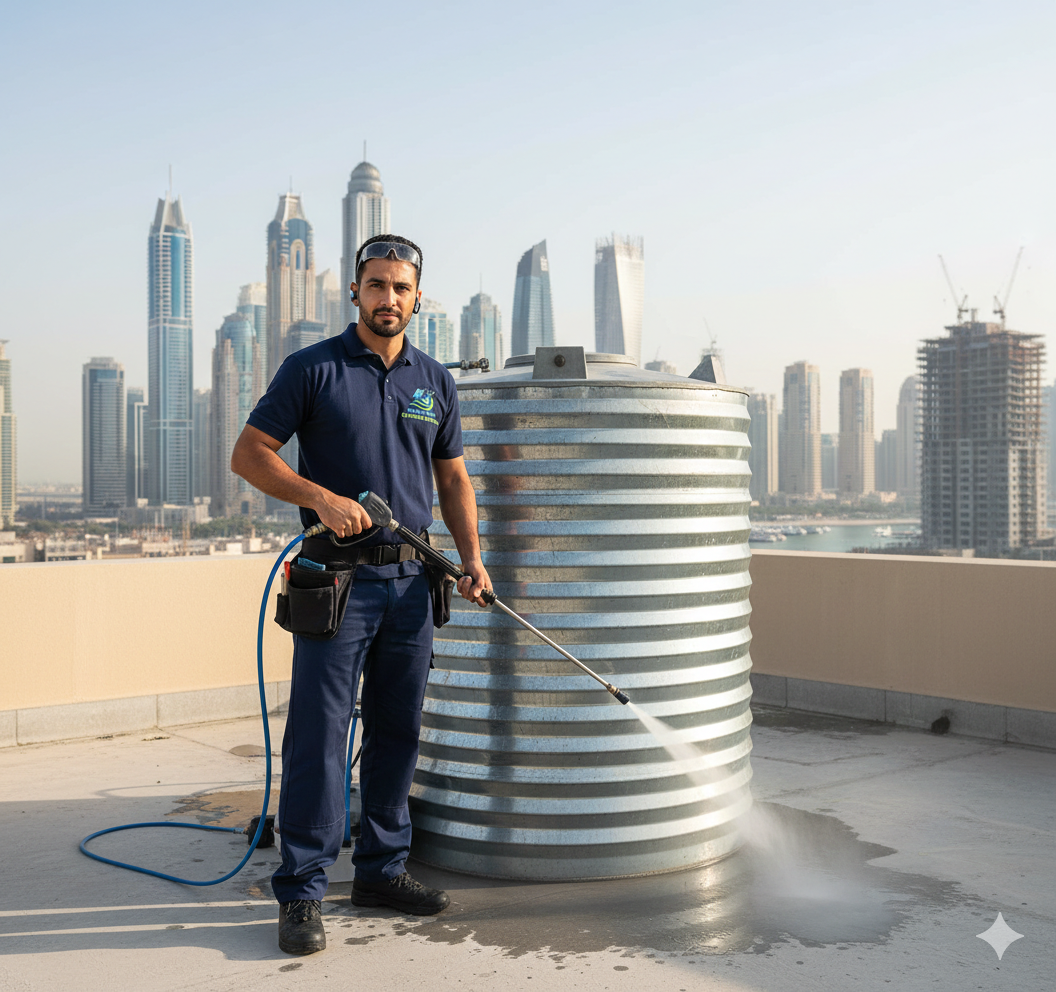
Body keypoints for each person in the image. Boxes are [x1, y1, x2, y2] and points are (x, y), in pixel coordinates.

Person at [231, 234, 491, 956]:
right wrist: (321, 497)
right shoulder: (312, 369)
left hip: (414, 583)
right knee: (318, 736)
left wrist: (470, 559)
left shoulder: (433, 380)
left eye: (401, 288)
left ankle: (381, 871)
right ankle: (304, 890)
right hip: (335, 582)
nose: (388, 299)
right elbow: (248, 454)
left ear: (416, 297)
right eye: (376, 286)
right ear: (356, 291)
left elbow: (454, 481)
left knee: (396, 730)